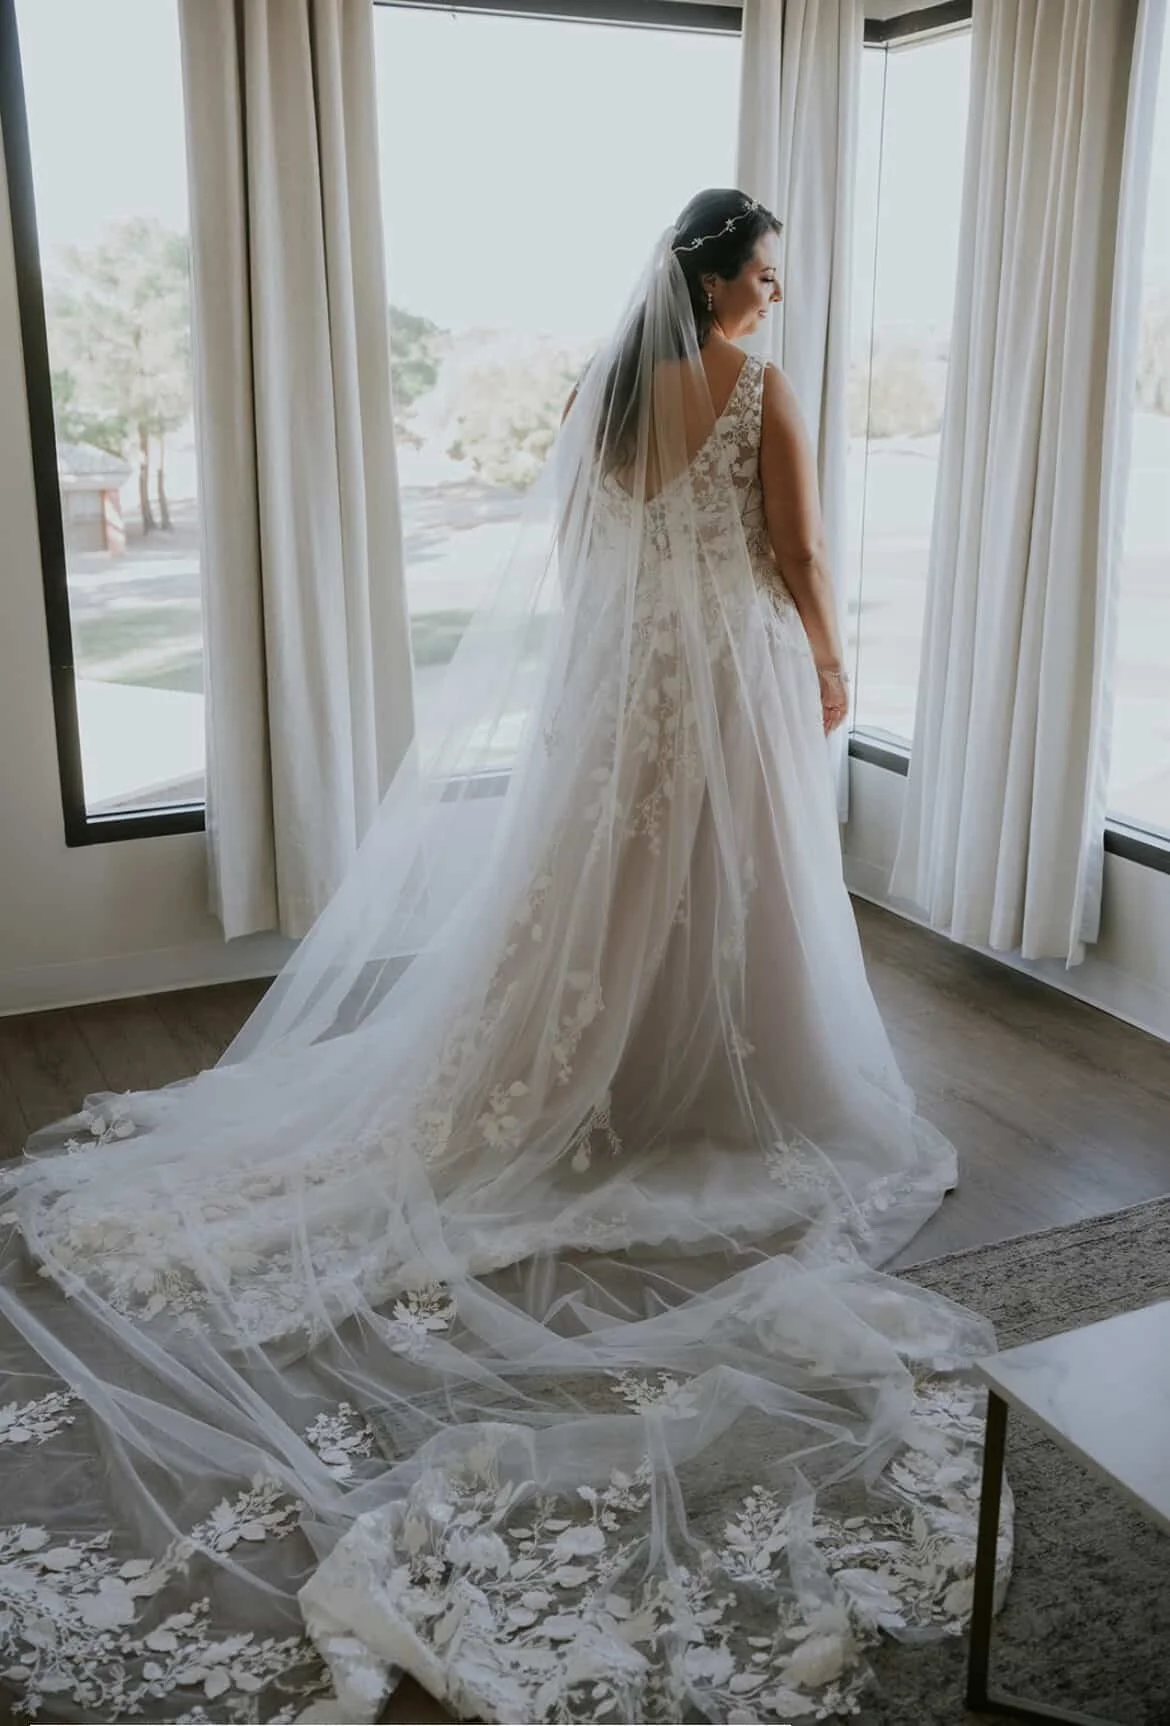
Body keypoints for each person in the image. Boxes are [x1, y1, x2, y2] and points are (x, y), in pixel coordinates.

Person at [0, 189, 999, 1725]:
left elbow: (590, 544)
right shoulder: (753, 388)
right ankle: (698, 1080)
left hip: (619, 688)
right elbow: (792, 545)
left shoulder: (601, 392)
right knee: (720, 890)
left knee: (599, 897)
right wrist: (830, 654)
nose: (776, 295)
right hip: (719, 675)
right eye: (765, 271)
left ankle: (620, 1068)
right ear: (718, 277)